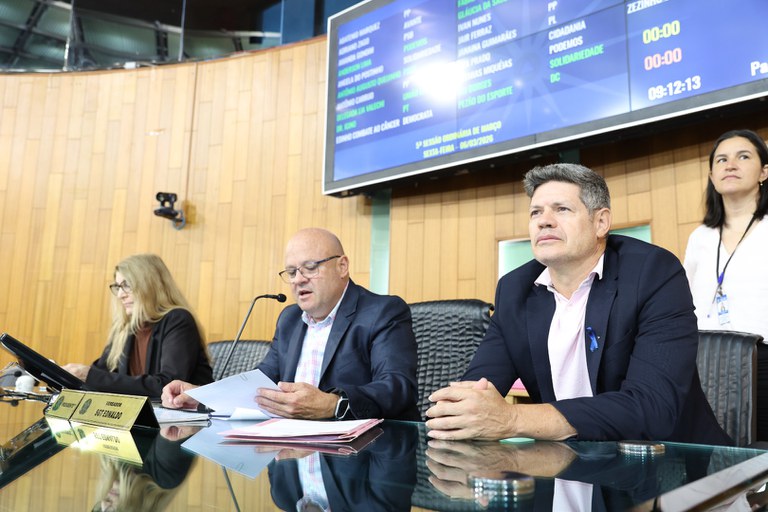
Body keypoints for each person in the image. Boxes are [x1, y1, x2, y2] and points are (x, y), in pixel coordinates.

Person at [426, 163, 731, 445]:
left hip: (671, 465)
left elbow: (652, 408)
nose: (544, 221)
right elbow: (476, 389)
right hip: (568, 463)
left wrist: (514, 419)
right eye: (535, 213)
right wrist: (457, 413)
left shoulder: (652, 272)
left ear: (601, 222)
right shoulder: (515, 289)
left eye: (562, 209)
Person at [162, 227, 420, 421]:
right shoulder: (290, 319)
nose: (298, 280)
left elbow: (397, 388)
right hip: (293, 449)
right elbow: (261, 383)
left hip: (363, 456)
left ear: (342, 266)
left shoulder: (382, 312)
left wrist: (333, 404)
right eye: (292, 272)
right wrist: (203, 396)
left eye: (310, 267)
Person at [683, 128, 768, 439]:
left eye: (743, 157)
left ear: (764, 172)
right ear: (712, 176)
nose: (730, 165)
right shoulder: (700, 237)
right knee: (709, 454)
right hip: (705, 361)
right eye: (721, 160)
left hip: (762, 358)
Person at [63, 254, 213, 398]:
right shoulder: (125, 328)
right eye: (118, 287)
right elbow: (101, 372)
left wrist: (91, 376)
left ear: (151, 286)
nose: (120, 295)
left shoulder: (178, 320)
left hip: (187, 414)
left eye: (127, 285)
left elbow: (168, 385)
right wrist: (67, 375)